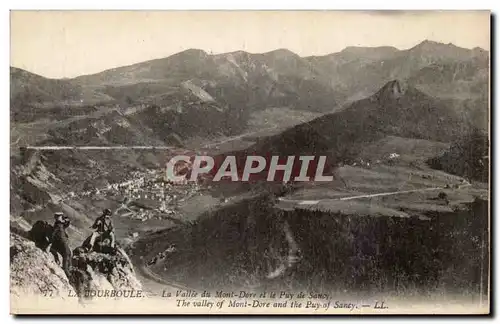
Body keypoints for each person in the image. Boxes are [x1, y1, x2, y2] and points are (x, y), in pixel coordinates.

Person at [50, 212, 72, 279]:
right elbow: (53, 234)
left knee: (69, 254)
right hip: (61, 243)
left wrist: (67, 220)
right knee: (66, 254)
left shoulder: (60, 224)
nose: (61, 218)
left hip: (63, 242)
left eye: (61, 216)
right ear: (57, 217)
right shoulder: (58, 224)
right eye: (60, 216)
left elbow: (66, 224)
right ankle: (67, 272)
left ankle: (69, 269)